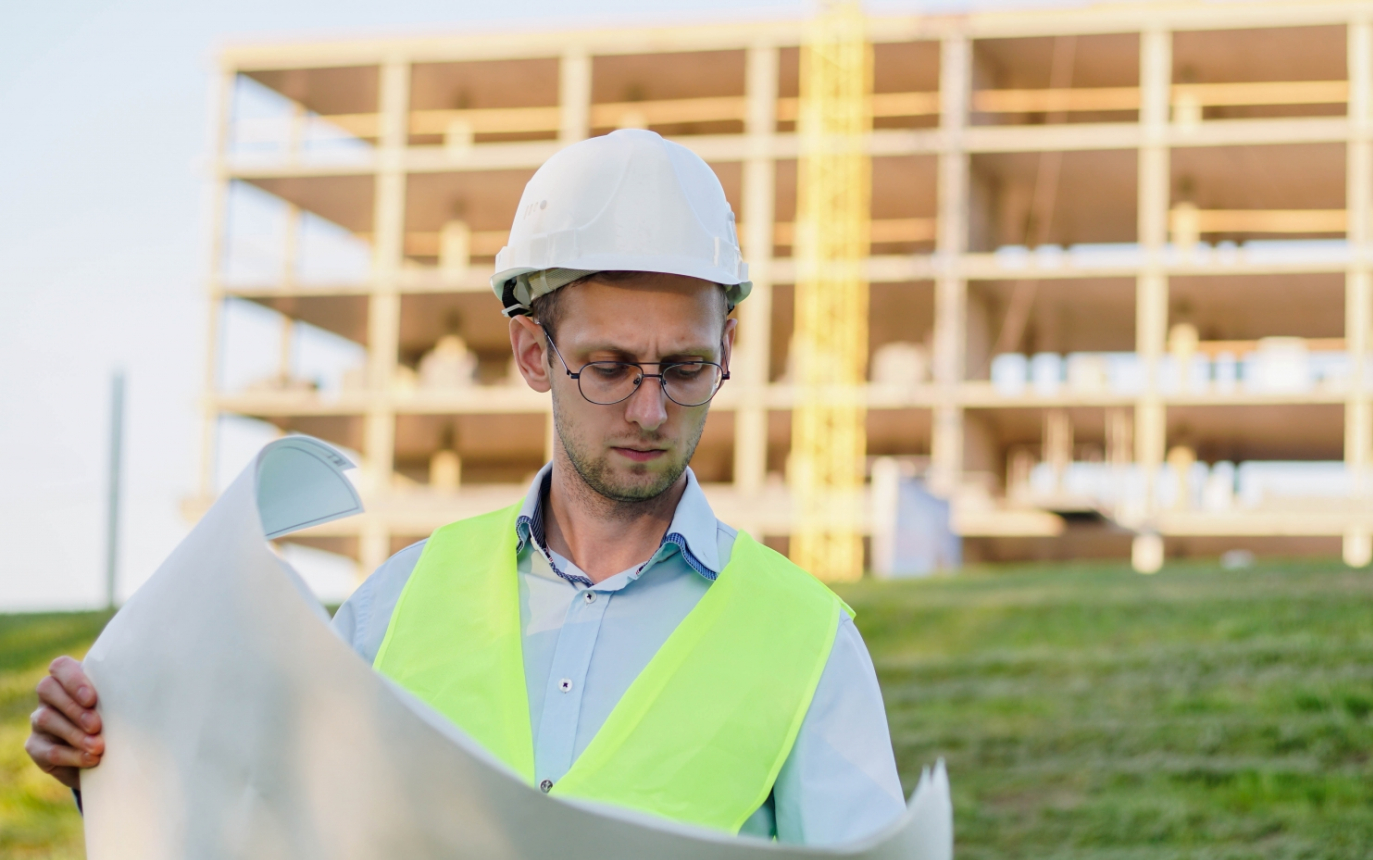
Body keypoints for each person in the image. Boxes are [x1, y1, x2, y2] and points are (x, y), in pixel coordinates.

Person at [26, 129, 906, 845]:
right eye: (606, 367)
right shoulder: (397, 605)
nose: (649, 409)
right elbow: (274, 831)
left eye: (684, 368)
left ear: (728, 350)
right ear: (534, 354)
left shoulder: (808, 645)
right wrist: (112, 771)